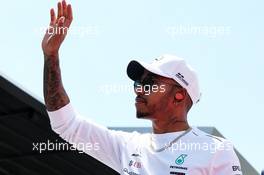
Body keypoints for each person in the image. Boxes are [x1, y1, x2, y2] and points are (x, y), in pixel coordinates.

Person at [42, 1, 243, 174]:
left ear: (179, 95)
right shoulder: (129, 145)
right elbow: (65, 124)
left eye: (149, 84)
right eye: (138, 83)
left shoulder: (215, 151)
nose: (139, 89)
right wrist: (51, 55)